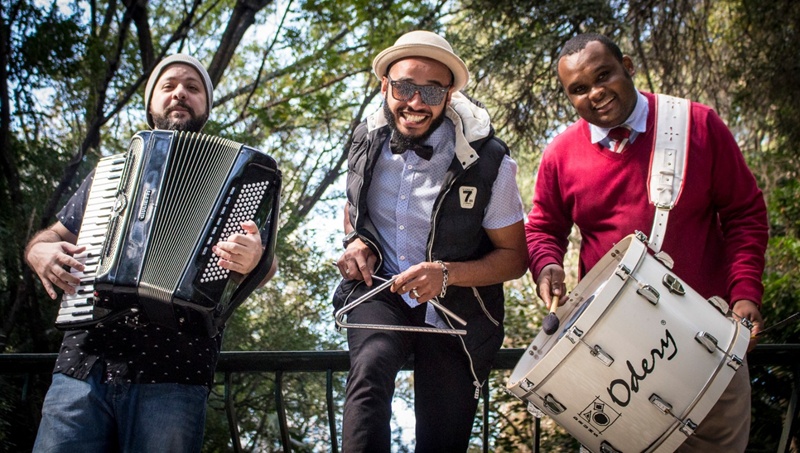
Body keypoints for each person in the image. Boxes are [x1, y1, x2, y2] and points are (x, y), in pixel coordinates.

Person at [525, 33, 769, 451]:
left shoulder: (698, 124)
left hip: (706, 340)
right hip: (609, 355)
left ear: (629, 66)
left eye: (604, 76)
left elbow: (744, 214)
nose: (595, 94)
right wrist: (547, 263)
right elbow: (543, 227)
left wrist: (745, 293)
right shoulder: (560, 154)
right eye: (579, 90)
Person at [25, 54, 277, 452]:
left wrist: (252, 261)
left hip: (175, 373)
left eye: (193, 88)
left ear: (206, 107)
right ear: (151, 104)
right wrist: (39, 253)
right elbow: (48, 239)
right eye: (169, 86)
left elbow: (265, 260)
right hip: (85, 364)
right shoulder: (109, 175)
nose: (181, 93)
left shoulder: (240, 177)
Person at [332, 30, 528, 452]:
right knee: (370, 369)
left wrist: (447, 274)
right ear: (385, 86)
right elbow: (352, 211)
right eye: (404, 87)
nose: (416, 102)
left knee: (443, 434)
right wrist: (356, 242)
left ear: (451, 93)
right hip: (381, 291)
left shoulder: (490, 160)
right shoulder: (365, 141)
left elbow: (515, 258)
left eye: (431, 90)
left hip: (458, 311)